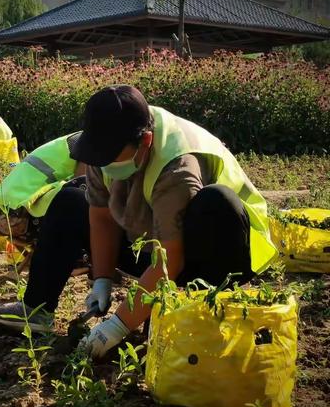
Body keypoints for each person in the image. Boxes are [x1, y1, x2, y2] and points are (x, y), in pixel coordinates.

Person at [68, 85, 278, 358]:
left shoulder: (177, 166)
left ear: (144, 142)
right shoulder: (105, 148)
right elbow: (101, 217)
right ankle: (37, 311)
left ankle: (208, 314)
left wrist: (117, 326)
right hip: (159, 242)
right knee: (67, 201)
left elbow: (169, 260)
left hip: (224, 249)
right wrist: (103, 279)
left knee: (215, 201)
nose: (103, 164)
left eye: (110, 156)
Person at [0, 132, 87, 334]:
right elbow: (83, 182)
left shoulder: (78, 138)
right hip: (20, 212)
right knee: (79, 200)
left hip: (5, 209)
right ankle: (39, 304)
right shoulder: (92, 140)